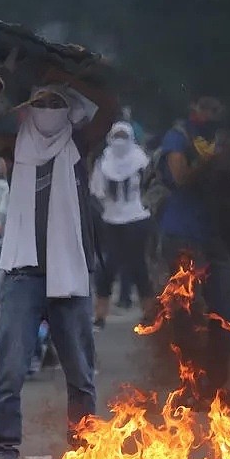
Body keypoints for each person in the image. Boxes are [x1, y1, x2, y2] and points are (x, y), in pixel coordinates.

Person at [0, 52, 118, 459]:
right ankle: (2, 454)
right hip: (23, 274)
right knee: (10, 369)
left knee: (80, 374)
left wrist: (63, 75)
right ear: (27, 108)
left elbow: (112, 107)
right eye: (41, 103)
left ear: (68, 110)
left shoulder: (79, 145)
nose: (48, 112)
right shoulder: (15, 147)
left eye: (56, 103)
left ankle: (83, 452)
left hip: (71, 274)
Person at [156, 94, 230, 402]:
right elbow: (179, 178)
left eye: (217, 107)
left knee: (225, 313)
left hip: (214, 235)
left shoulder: (220, 139)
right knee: (186, 315)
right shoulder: (177, 137)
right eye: (207, 106)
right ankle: (188, 387)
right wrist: (209, 162)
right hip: (182, 235)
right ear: (193, 107)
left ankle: (215, 387)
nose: (213, 113)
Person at [90, 121, 153, 329]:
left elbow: (149, 185)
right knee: (108, 268)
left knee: (138, 266)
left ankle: (150, 314)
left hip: (136, 218)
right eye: (115, 136)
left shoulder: (140, 160)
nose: (119, 141)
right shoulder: (104, 161)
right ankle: (100, 315)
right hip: (111, 219)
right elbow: (97, 188)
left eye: (123, 137)